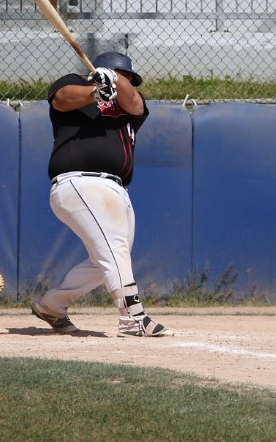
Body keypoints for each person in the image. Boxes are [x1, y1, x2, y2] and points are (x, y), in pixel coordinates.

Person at [31, 51, 173, 338]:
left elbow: (134, 101)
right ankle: (132, 317)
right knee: (115, 249)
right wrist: (95, 91)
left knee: (105, 260)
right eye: (125, 76)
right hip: (80, 182)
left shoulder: (129, 108)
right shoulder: (73, 83)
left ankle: (52, 305)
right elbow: (62, 99)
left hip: (116, 189)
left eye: (129, 79)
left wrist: (115, 80)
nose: (128, 83)